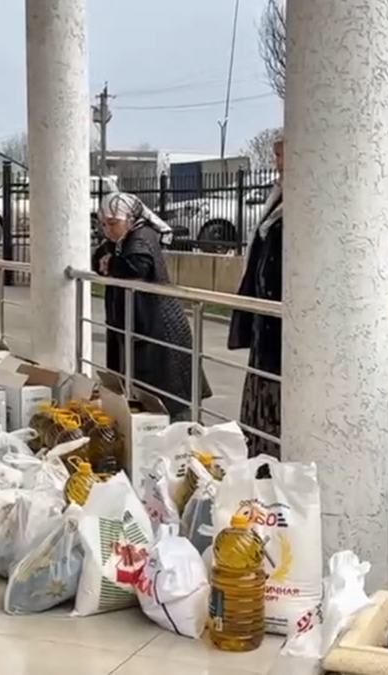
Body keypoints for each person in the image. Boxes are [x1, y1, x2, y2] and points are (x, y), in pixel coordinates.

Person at [92, 192, 211, 419]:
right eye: (104, 224)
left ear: (129, 218)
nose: (108, 230)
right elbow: (98, 259)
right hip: (140, 324)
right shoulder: (122, 239)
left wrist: (112, 263)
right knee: (143, 388)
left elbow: (137, 266)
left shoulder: (141, 236)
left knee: (167, 392)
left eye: (113, 223)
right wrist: (109, 261)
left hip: (159, 326)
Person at [228, 134, 284, 458]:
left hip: (280, 321)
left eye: (283, 154)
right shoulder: (277, 197)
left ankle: (272, 460)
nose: (278, 161)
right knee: (260, 391)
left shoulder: (302, 197)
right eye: (276, 154)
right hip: (264, 317)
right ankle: (259, 455)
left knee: (277, 395)